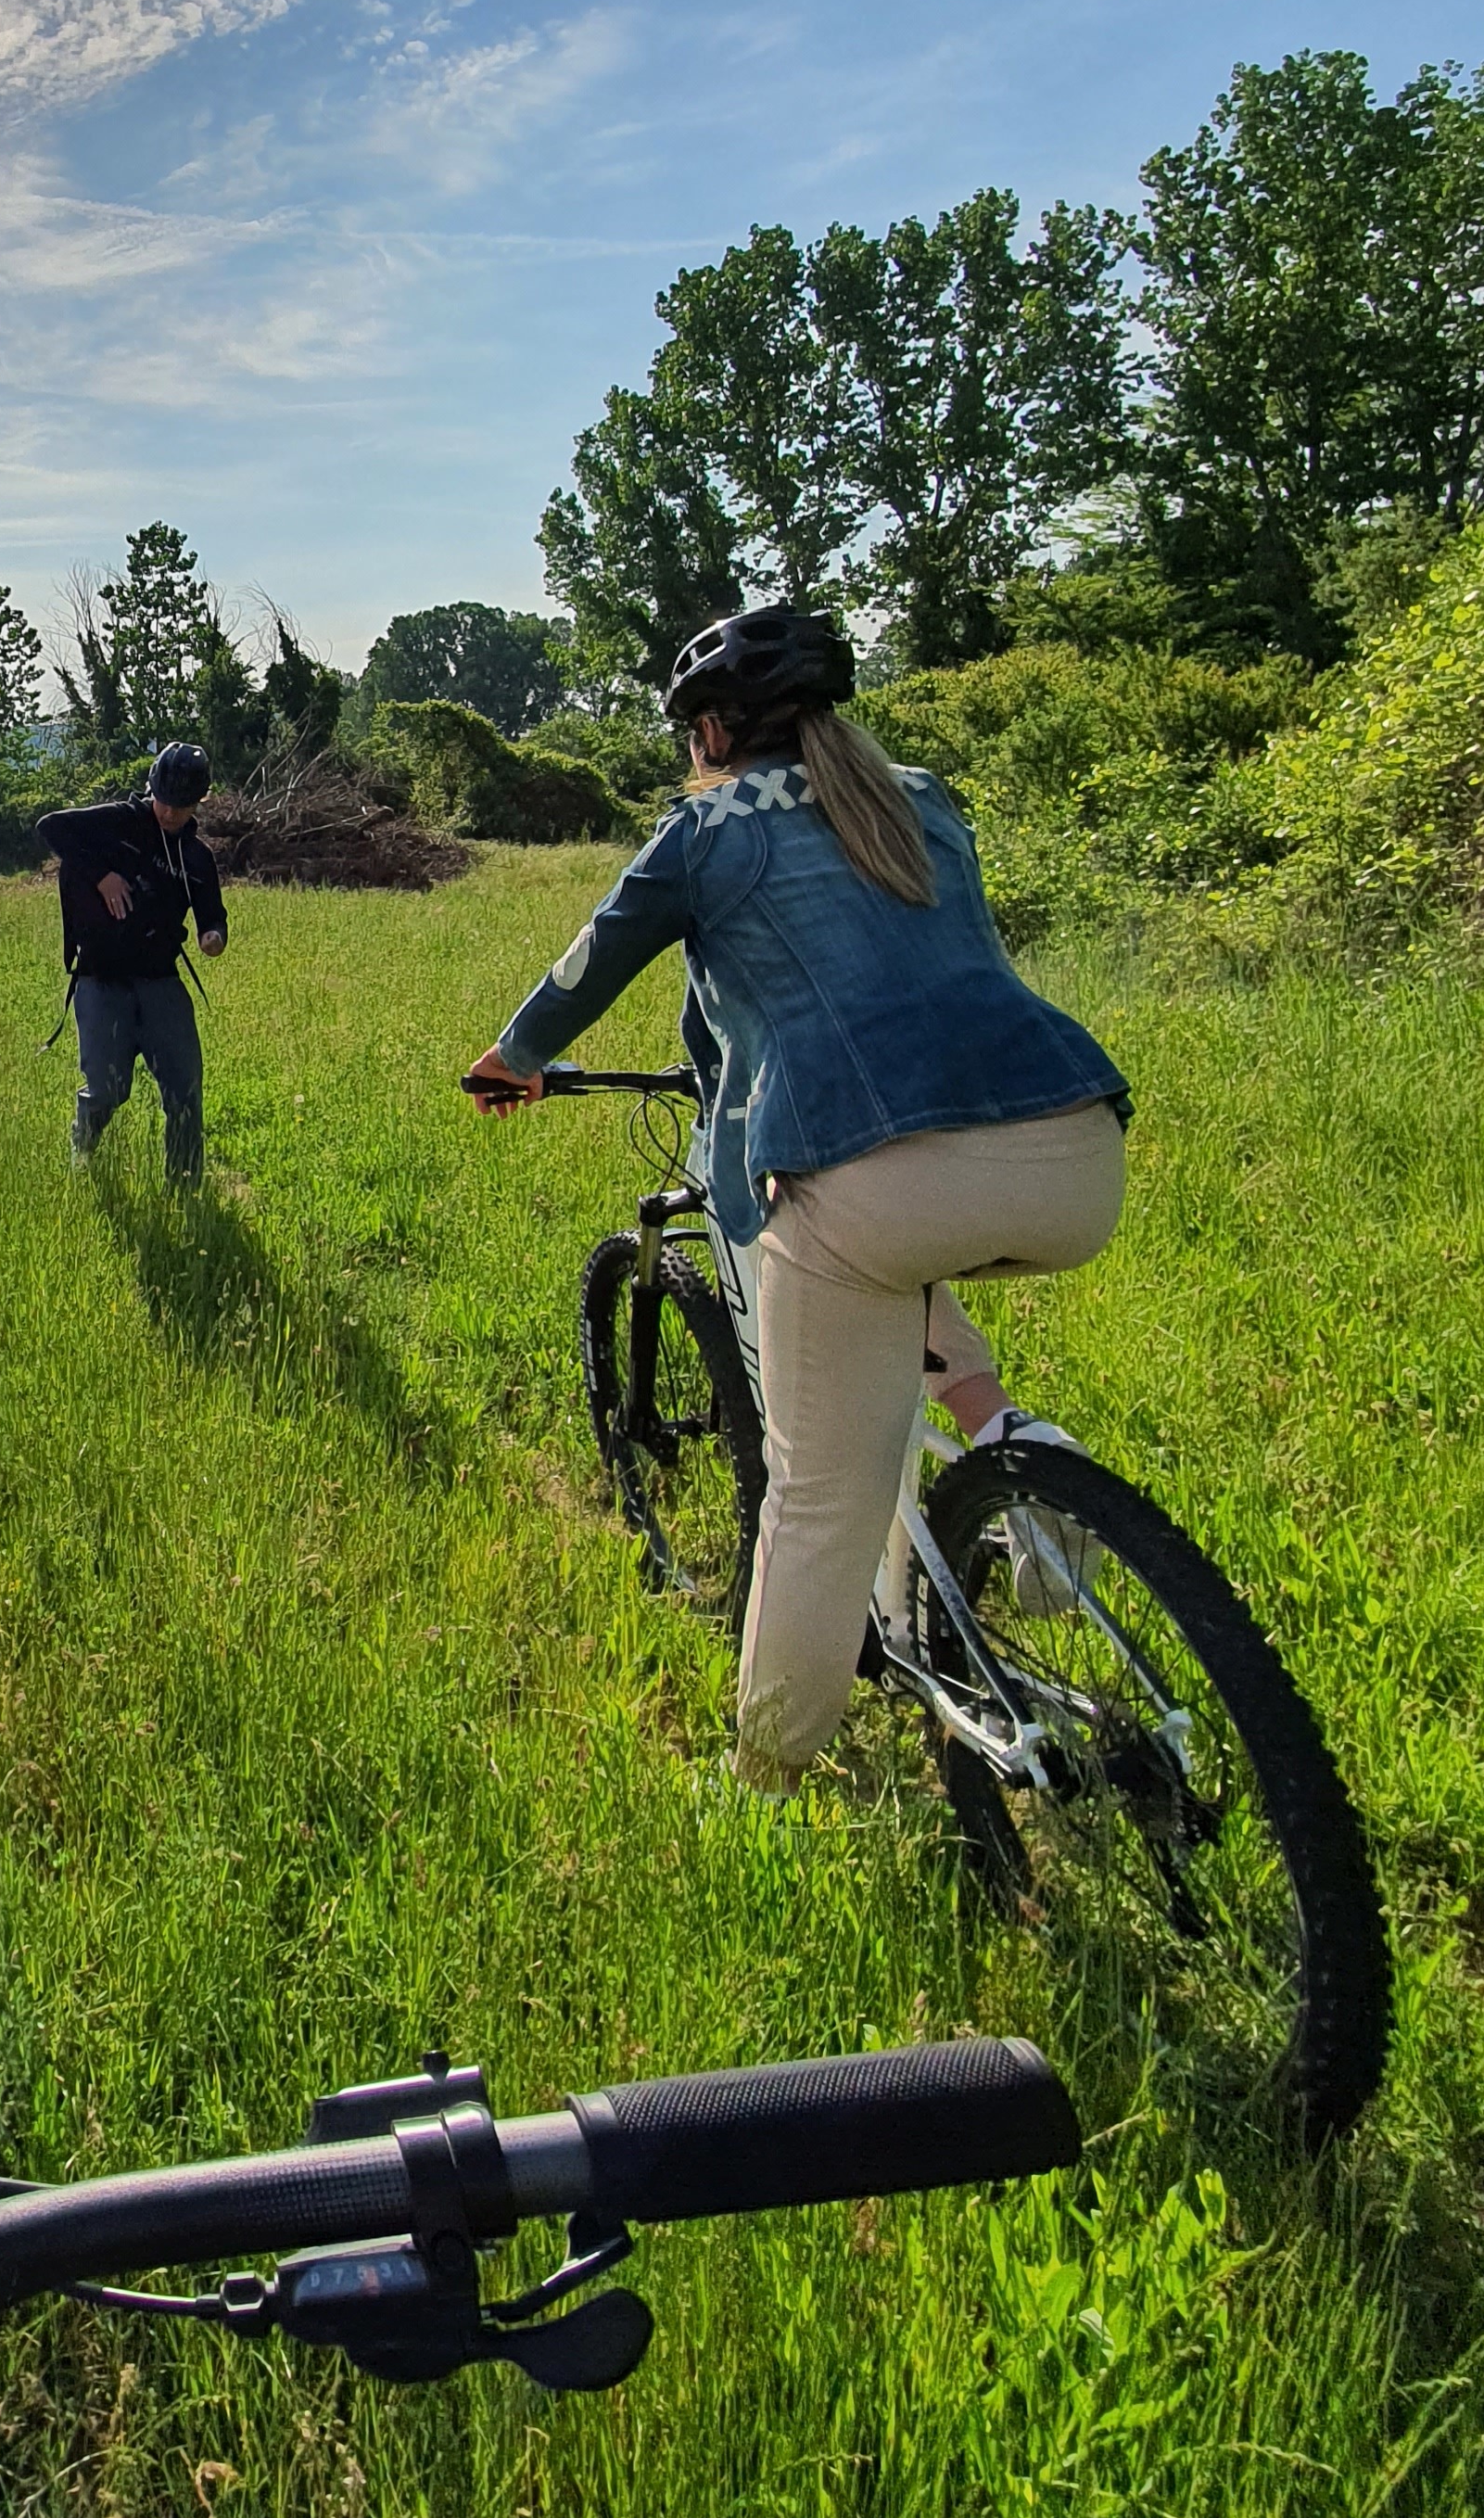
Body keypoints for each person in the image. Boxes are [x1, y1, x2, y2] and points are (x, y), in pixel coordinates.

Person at [463, 602, 1129, 1790]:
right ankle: (1015, 1451)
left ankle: (761, 1783)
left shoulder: (705, 830)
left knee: (816, 1491)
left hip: (878, 1182)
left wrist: (513, 1057)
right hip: (1073, 1154)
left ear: (712, 731)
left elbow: (587, 961)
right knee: (896, 1266)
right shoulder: (925, 799)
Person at [34, 740, 229, 1183]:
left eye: (181, 806)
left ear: (198, 802)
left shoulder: (197, 858)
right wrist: (101, 876)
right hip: (102, 978)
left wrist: (213, 935)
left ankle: (185, 1182)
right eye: (163, 800)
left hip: (160, 980)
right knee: (108, 1089)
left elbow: (211, 913)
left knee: (184, 1089)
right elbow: (52, 827)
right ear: (151, 788)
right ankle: (82, 1151)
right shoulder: (120, 821)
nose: (168, 813)